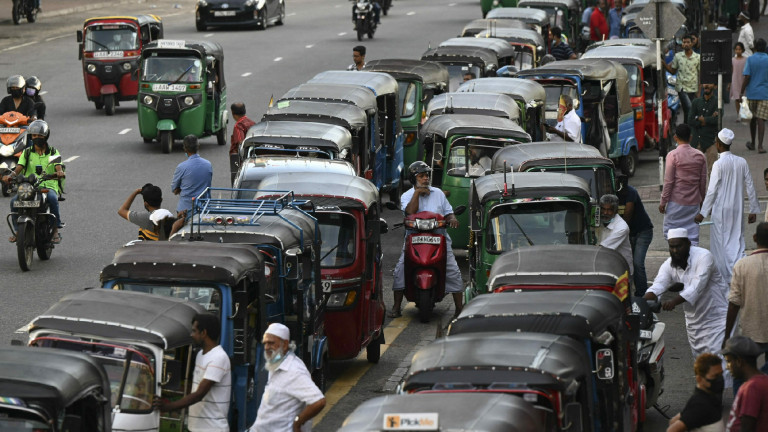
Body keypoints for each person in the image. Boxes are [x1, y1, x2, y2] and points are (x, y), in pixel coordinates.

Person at [389, 161, 463, 319]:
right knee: (400, 269)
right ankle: (396, 307)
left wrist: (453, 218)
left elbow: (449, 212)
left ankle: (459, 308)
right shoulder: (407, 195)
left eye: (427, 175)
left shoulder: (438, 193)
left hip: (439, 236)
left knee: (453, 270)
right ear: (413, 179)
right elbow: (409, 212)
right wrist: (417, 194)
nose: (425, 179)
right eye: (421, 176)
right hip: (413, 238)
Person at [643, 228, 728, 360]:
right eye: (672, 247)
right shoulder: (669, 265)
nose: (675, 251)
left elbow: (696, 287)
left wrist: (673, 302)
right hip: (694, 322)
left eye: (678, 246)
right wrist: (642, 302)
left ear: (688, 243)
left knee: (720, 364)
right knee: (701, 364)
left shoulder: (704, 257)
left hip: (717, 318)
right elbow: (658, 285)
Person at [695, 128, 760, 283]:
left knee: (720, 245)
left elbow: (711, 191)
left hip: (721, 210)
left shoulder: (718, 164)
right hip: (737, 208)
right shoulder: (742, 162)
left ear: (718, 144)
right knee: (737, 241)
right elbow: (750, 185)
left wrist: (703, 213)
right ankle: (739, 273)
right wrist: (753, 209)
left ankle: (726, 278)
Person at [155, 314, 231, 432]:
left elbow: (199, 394)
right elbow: (196, 388)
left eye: (194, 331)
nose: (191, 335)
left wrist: (169, 407)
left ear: (204, 333)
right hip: (197, 427)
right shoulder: (201, 355)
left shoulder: (218, 358)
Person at [250, 323, 326, 432]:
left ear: (285, 344)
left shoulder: (293, 370)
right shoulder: (276, 363)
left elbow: (319, 401)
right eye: (265, 343)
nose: (266, 347)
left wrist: (298, 422)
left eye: (271, 343)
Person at [2, 120, 64, 244]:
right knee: (14, 201)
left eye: (40, 135)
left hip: (48, 185)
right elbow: (19, 168)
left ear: (46, 136)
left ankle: (55, 229)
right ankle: (18, 231)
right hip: (29, 186)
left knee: (52, 198)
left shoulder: (53, 152)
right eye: (34, 136)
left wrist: (59, 172)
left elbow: (58, 167)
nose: (37, 138)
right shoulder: (27, 152)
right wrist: (11, 175)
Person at [724, 222, 768, 378]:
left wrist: (727, 335)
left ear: (755, 238)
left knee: (742, 373)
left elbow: (734, 303)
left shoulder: (742, 265)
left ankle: (744, 399)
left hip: (750, 332)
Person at [659, 124, 707, 245]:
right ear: (690, 137)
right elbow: (702, 182)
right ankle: (691, 261)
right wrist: (702, 202)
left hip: (676, 203)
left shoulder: (672, 155)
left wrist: (663, 202)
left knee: (672, 235)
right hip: (693, 203)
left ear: (675, 137)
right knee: (692, 236)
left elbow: (668, 182)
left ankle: (678, 259)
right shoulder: (700, 156)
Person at [666, 353, 725, 432]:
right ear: (699, 379)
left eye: (721, 374)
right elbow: (672, 430)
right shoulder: (700, 404)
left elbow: (673, 421)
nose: (720, 379)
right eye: (715, 376)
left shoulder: (709, 397)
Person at [617, 174, 654, 295]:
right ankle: (629, 292)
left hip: (643, 231)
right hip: (628, 233)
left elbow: (627, 214)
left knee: (638, 263)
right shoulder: (611, 194)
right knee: (628, 263)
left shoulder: (631, 192)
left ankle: (642, 294)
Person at [723, 336, 768, 432]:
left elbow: (747, 426)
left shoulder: (752, 388)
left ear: (739, 361)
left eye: (729, 361)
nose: (727, 367)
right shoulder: (758, 381)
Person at [663, 35, 701, 128]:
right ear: (682, 44)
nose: (686, 44)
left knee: (687, 111)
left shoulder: (698, 57)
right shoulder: (678, 56)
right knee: (690, 108)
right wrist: (663, 64)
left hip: (693, 88)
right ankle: (689, 129)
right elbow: (673, 71)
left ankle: (685, 130)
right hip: (681, 88)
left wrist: (699, 91)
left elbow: (700, 75)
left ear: (692, 43)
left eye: (688, 42)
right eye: (684, 42)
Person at [171, 135, 212, 214]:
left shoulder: (181, 167)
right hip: (204, 208)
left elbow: (175, 190)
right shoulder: (208, 164)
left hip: (185, 210)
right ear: (198, 146)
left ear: (184, 148)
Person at [741, 38, 768, 153]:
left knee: (752, 119)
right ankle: (760, 146)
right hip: (765, 93)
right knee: (761, 118)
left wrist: (741, 91)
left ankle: (752, 143)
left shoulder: (750, 59)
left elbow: (747, 76)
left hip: (752, 93)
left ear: (755, 47)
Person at [688, 83, 721, 175]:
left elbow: (718, 120)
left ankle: (713, 190)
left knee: (713, 172)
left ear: (715, 86)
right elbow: (690, 120)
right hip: (696, 141)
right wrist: (708, 119)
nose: (706, 86)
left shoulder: (717, 102)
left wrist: (702, 119)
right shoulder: (696, 102)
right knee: (695, 172)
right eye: (705, 84)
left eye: (710, 84)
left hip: (711, 141)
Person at [598, 194, 633, 274]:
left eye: (609, 210)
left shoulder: (622, 227)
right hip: (607, 266)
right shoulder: (599, 220)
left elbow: (602, 249)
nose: (605, 212)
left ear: (616, 211)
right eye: (603, 209)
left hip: (621, 270)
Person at [229, 102, 256, 186]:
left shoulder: (238, 125)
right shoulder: (252, 123)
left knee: (236, 182)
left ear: (233, 113)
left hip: (239, 160)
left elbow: (241, 143)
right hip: (252, 158)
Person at [732, 43, 748, 122]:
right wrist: (729, 84)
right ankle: (738, 115)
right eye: (736, 49)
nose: (738, 51)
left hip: (742, 80)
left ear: (742, 50)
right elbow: (732, 71)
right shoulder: (733, 60)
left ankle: (743, 114)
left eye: (739, 49)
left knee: (743, 98)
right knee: (737, 98)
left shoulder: (746, 60)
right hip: (735, 80)